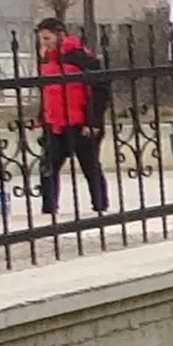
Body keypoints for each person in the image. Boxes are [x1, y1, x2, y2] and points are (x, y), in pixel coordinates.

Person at [34, 17, 111, 218]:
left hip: (80, 122)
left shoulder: (80, 57)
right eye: (42, 39)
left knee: (90, 165)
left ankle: (100, 205)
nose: (44, 43)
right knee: (48, 166)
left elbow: (100, 90)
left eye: (47, 38)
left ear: (60, 35)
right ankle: (49, 208)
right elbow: (48, 91)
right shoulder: (46, 59)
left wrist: (92, 121)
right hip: (56, 123)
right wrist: (42, 116)